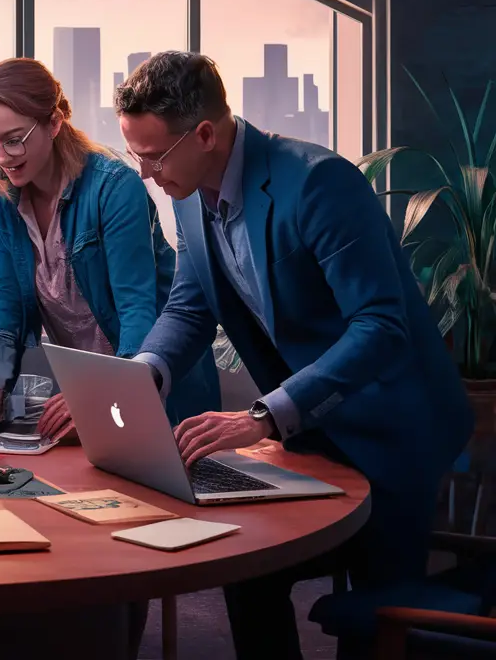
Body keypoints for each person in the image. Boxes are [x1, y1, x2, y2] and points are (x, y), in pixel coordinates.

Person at [115, 51, 473, 659]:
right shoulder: (187, 187)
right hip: (309, 434)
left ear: (204, 133)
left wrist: (260, 416)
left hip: (391, 430)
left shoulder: (318, 182)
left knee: (373, 626)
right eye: (135, 155)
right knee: (247, 566)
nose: (146, 173)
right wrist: (148, 371)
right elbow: (188, 305)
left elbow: (381, 327)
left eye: (154, 156)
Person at [0, 57, 220, 437]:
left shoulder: (114, 188)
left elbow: (138, 308)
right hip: (89, 395)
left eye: (14, 140)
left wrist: (102, 390)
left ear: (54, 122)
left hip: (158, 382)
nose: (1, 158)